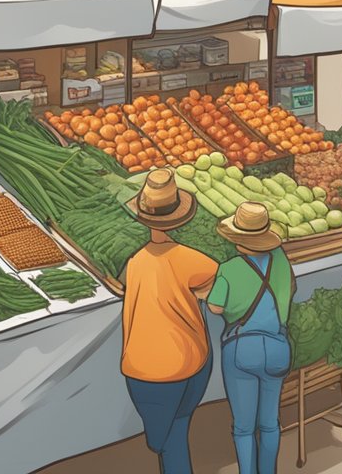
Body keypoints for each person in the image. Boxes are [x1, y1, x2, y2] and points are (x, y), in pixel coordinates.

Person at [121, 168, 217, 474]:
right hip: (190, 363)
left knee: (166, 437)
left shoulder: (134, 263)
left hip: (143, 371)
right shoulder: (194, 259)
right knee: (176, 429)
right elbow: (215, 300)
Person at [207, 202, 296, 474]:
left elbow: (215, 307)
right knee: (270, 422)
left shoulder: (229, 268)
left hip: (242, 350)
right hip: (278, 347)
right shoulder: (280, 259)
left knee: (244, 427)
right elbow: (290, 288)